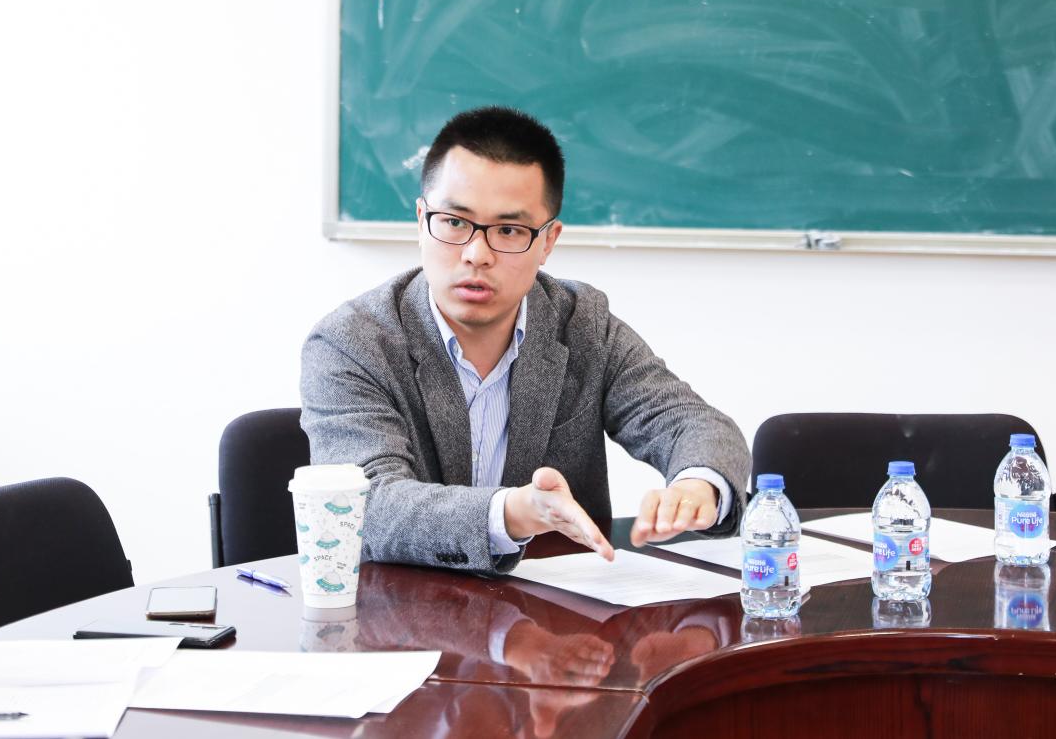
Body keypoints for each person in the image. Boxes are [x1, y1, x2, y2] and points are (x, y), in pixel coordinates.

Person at [300, 106, 750, 574]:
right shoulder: (350, 343)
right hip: (403, 610)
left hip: (552, 612)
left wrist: (697, 485)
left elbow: (691, 423)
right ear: (421, 220)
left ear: (548, 241)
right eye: (453, 222)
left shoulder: (583, 324)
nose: (476, 254)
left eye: (509, 230)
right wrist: (511, 513)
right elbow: (364, 505)